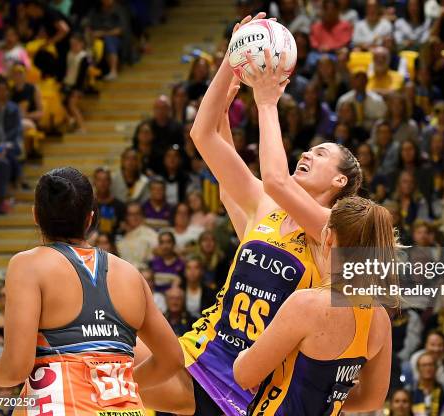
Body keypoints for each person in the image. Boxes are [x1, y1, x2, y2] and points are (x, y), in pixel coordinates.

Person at [134, 13, 362, 415]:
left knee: (104, 367)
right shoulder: (265, 206)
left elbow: (275, 178)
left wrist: (267, 100)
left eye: (322, 154)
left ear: (340, 182)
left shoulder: (331, 231)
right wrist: (233, 59)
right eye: (310, 149)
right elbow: (203, 134)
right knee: (102, 347)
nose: (308, 153)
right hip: (201, 351)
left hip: (250, 386)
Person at [0, 167, 183, 414]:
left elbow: (15, 369)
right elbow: (173, 359)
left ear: (35, 215)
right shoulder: (129, 273)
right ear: (90, 218)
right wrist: (117, 386)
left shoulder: (28, 265)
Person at [233, 196, 394, 415]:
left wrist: (244, 356)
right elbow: (371, 399)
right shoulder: (380, 317)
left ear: (327, 238)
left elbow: (244, 376)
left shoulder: (307, 304)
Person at [116, 202, 158, 269]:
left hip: (144, 272)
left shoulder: (151, 234)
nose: (134, 217)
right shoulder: (120, 236)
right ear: (126, 217)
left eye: (137, 214)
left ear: (142, 215)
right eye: (131, 214)